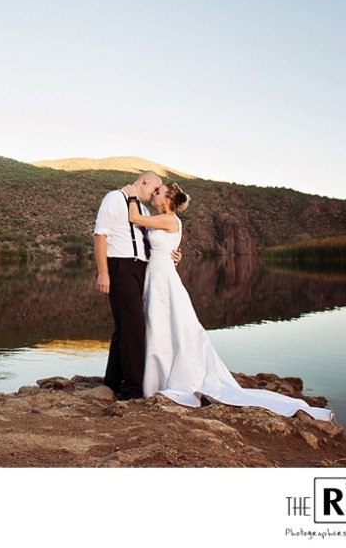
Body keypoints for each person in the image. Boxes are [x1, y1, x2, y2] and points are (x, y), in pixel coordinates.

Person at [124, 182, 333, 421]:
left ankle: (168, 378)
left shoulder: (170, 220)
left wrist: (131, 196)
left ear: (168, 200)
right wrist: (175, 256)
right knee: (161, 326)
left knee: (168, 325)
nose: (154, 194)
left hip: (163, 277)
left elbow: (135, 218)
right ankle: (158, 376)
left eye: (159, 192)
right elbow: (162, 245)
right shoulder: (164, 219)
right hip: (158, 273)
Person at [93, 171, 181, 400]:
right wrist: (103, 272)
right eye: (155, 189)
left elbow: (151, 241)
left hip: (143, 269)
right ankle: (132, 389)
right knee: (135, 327)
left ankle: (112, 381)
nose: (154, 195)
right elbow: (100, 235)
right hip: (120, 267)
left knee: (124, 326)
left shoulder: (142, 210)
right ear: (145, 181)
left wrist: (172, 255)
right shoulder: (114, 198)